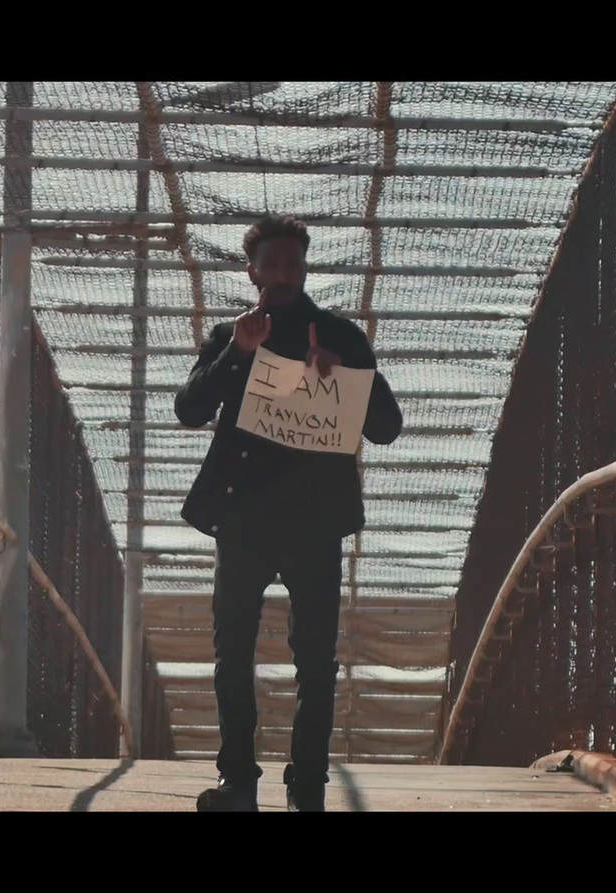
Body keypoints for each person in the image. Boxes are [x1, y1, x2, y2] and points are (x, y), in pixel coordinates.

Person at [173, 214, 403, 811]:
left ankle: (307, 789)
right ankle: (239, 783)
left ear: (305, 268)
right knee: (233, 655)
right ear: (252, 270)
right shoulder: (231, 335)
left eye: (292, 265)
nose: (281, 274)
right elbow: (189, 409)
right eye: (270, 265)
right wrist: (236, 356)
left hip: (313, 522)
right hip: (243, 519)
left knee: (316, 663)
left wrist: (348, 377)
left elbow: (386, 428)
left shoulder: (341, 337)